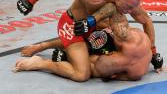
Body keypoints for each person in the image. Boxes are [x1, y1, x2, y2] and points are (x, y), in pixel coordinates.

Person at [16, 0, 163, 81]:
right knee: (82, 74)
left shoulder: (129, 2)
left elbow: (146, 21)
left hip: (95, 25)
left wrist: (153, 51)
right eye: (129, 7)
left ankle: (58, 51)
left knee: (121, 45)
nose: (131, 11)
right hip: (73, 25)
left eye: (133, 7)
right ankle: (42, 62)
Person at [14, 11, 152, 81]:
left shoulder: (120, 58)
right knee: (92, 40)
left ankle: (45, 62)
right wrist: (42, 45)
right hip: (103, 44)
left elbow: (98, 68)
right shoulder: (135, 35)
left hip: (107, 57)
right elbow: (145, 22)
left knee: (85, 71)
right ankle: (44, 47)